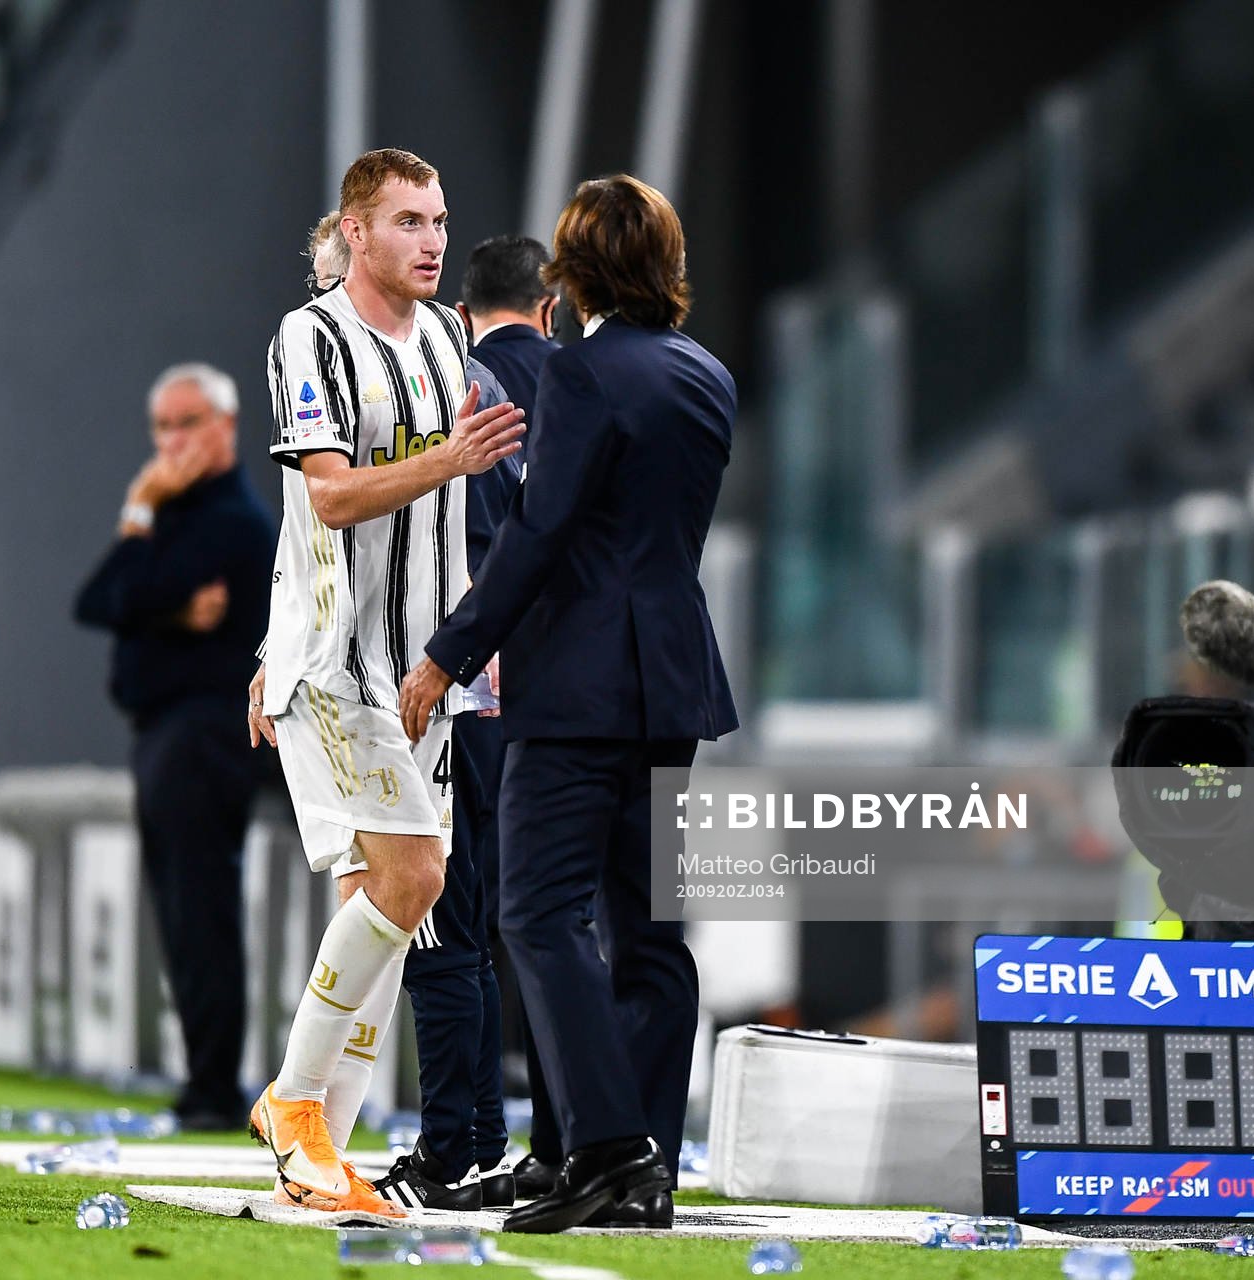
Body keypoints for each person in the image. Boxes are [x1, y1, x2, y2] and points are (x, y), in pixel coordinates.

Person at [400, 175, 737, 1233]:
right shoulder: (708, 376)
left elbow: (540, 535)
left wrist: (448, 655)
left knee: (536, 912)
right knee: (652, 935)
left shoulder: (582, 375)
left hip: (578, 685)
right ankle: (648, 1167)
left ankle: (601, 1147)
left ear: (573, 271)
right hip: (675, 681)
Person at [244, 148, 524, 1218]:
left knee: (386, 902)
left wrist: (462, 641)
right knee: (412, 882)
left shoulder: (450, 339)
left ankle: (326, 1152)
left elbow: (448, 518)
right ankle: (295, 1104)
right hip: (340, 662)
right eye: (409, 220)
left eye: (441, 219)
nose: (433, 239)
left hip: (423, 673)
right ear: (355, 233)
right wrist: (276, 644)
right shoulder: (309, 336)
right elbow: (325, 499)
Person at [310, 212, 518, 1211]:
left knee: (434, 921)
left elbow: (397, 540)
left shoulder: (441, 398)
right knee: (481, 925)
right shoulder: (542, 391)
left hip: (425, 684)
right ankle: (486, 1134)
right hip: (510, 692)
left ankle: (450, 1145)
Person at [74, 362, 275, 1129]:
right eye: (161, 426)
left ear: (226, 427)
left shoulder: (231, 521)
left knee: (202, 909)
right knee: (186, 911)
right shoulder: (176, 514)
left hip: (204, 731)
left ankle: (215, 1087)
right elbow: (100, 601)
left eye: (187, 423)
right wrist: (162, 603)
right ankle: (207, 1080)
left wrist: (139, 517)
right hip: (166, 730)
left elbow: (116, 595)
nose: (170, 441)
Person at [453, 233, 566, 1200]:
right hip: (586, 685)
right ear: (551, 304)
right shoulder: (589, 383)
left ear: (464, 312)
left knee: (475, 919)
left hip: (472, 680)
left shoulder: (454, 389)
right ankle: (578, 1138)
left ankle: (472, 1133)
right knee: (573, 919)